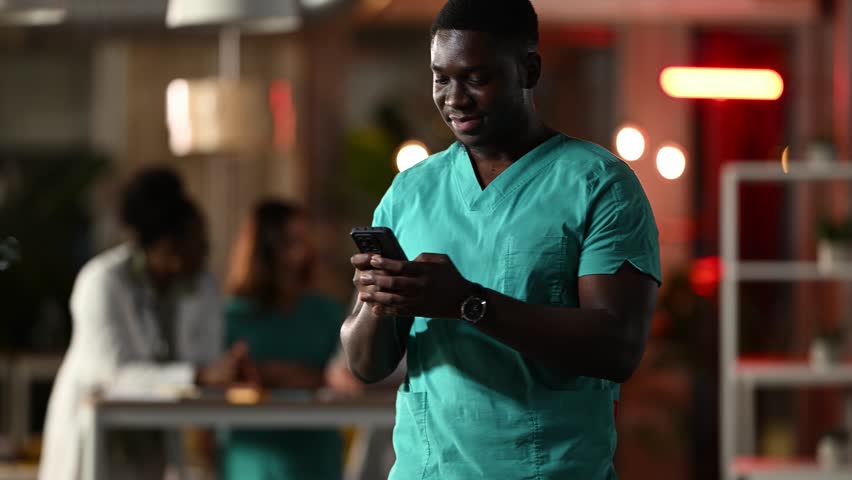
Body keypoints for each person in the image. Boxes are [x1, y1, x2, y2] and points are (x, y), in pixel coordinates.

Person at [340, 1, 662, 478]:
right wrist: (377, 302)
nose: (455, 98)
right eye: (441, 79)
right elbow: (366, 365)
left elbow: (618, 347)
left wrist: (467, 302)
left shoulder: (599, 185)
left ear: (529, 69)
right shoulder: (410, 193)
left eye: (476, 78)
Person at [39, 167, 249, 480]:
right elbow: (114, 377)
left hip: (150, 446)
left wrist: (225, 371)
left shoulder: (201, 287)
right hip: (98, 439)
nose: (207, 250)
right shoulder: (102, 282)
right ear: (169, 245)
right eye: (198, 241)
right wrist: (201, 375)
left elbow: (207, 361)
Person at [222, 199, 357, 480]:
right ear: (265, 248)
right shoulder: (233, 316)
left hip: (315, 456)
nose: (302, 252)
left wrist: (275, 374)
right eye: (290, 242)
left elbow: (343, 376)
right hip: (253, 456)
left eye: (305, 241)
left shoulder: (325, 312)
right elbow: (223, 379)